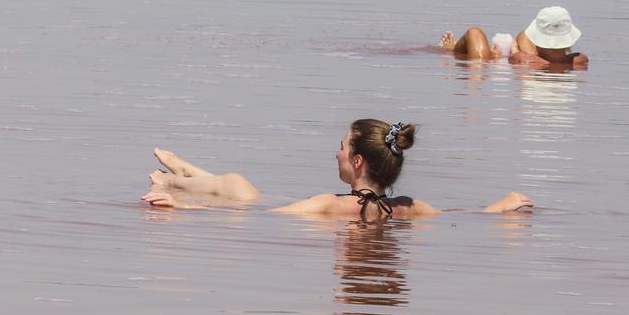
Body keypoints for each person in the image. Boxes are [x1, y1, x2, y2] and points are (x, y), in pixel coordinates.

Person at [141, 119, 533, 218]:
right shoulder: (407, 208)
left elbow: (263, 217)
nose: (336, 154)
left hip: (262, 203)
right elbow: (462, 217)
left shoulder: (326, 204)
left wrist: (182, 209)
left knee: (236, 187)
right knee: (232, 185)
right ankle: (181, 170)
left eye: (342, 147)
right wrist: (502, 206)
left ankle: (176, 178)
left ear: (358, 161)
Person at [438, 6, 587, 67]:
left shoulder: (523, 58)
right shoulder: (579, 60)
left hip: (483, 65)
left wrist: (506, 53)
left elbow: (520, 48)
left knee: (475, 33)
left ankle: (450, 51)